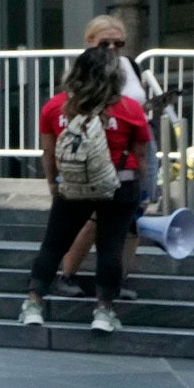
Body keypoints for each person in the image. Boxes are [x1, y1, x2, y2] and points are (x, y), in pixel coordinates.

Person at [20, 47, 151, 336]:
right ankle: (104, 311)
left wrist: (53, 182)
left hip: (73, 185)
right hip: (120, 183)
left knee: (54, 244)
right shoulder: (130, 109)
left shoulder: (56, 107)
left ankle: (33, 304)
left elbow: (49, 151)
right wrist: (142, 190)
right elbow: (140, 155)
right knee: (110, 248)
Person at [52, 16, 150, 297]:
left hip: (132, 145)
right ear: (90, 42)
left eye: (118, 43)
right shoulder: (85, 68)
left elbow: (134, 104)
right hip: (95, 151)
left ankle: (116, 280)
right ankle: (67, 274)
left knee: (130, 221)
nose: (112, 48)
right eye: (104, 42)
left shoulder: (129, 65)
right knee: (94, 222)